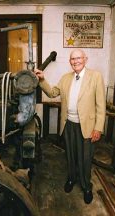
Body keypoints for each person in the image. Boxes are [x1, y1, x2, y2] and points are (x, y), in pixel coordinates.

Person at [34, 49, 106, 204]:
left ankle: (87, 186)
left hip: (87, 126)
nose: (76, 61)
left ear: (85, 59)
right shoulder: (66, 78)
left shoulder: (95, 76)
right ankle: (72, 179)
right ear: (70, 62)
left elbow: (101, 105)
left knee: (85, 158)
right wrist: (42, 79)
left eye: (79, 58)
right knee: (71, 156)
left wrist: (98, 128)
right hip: (69, 125)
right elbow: (53, 93)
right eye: (73, 59)